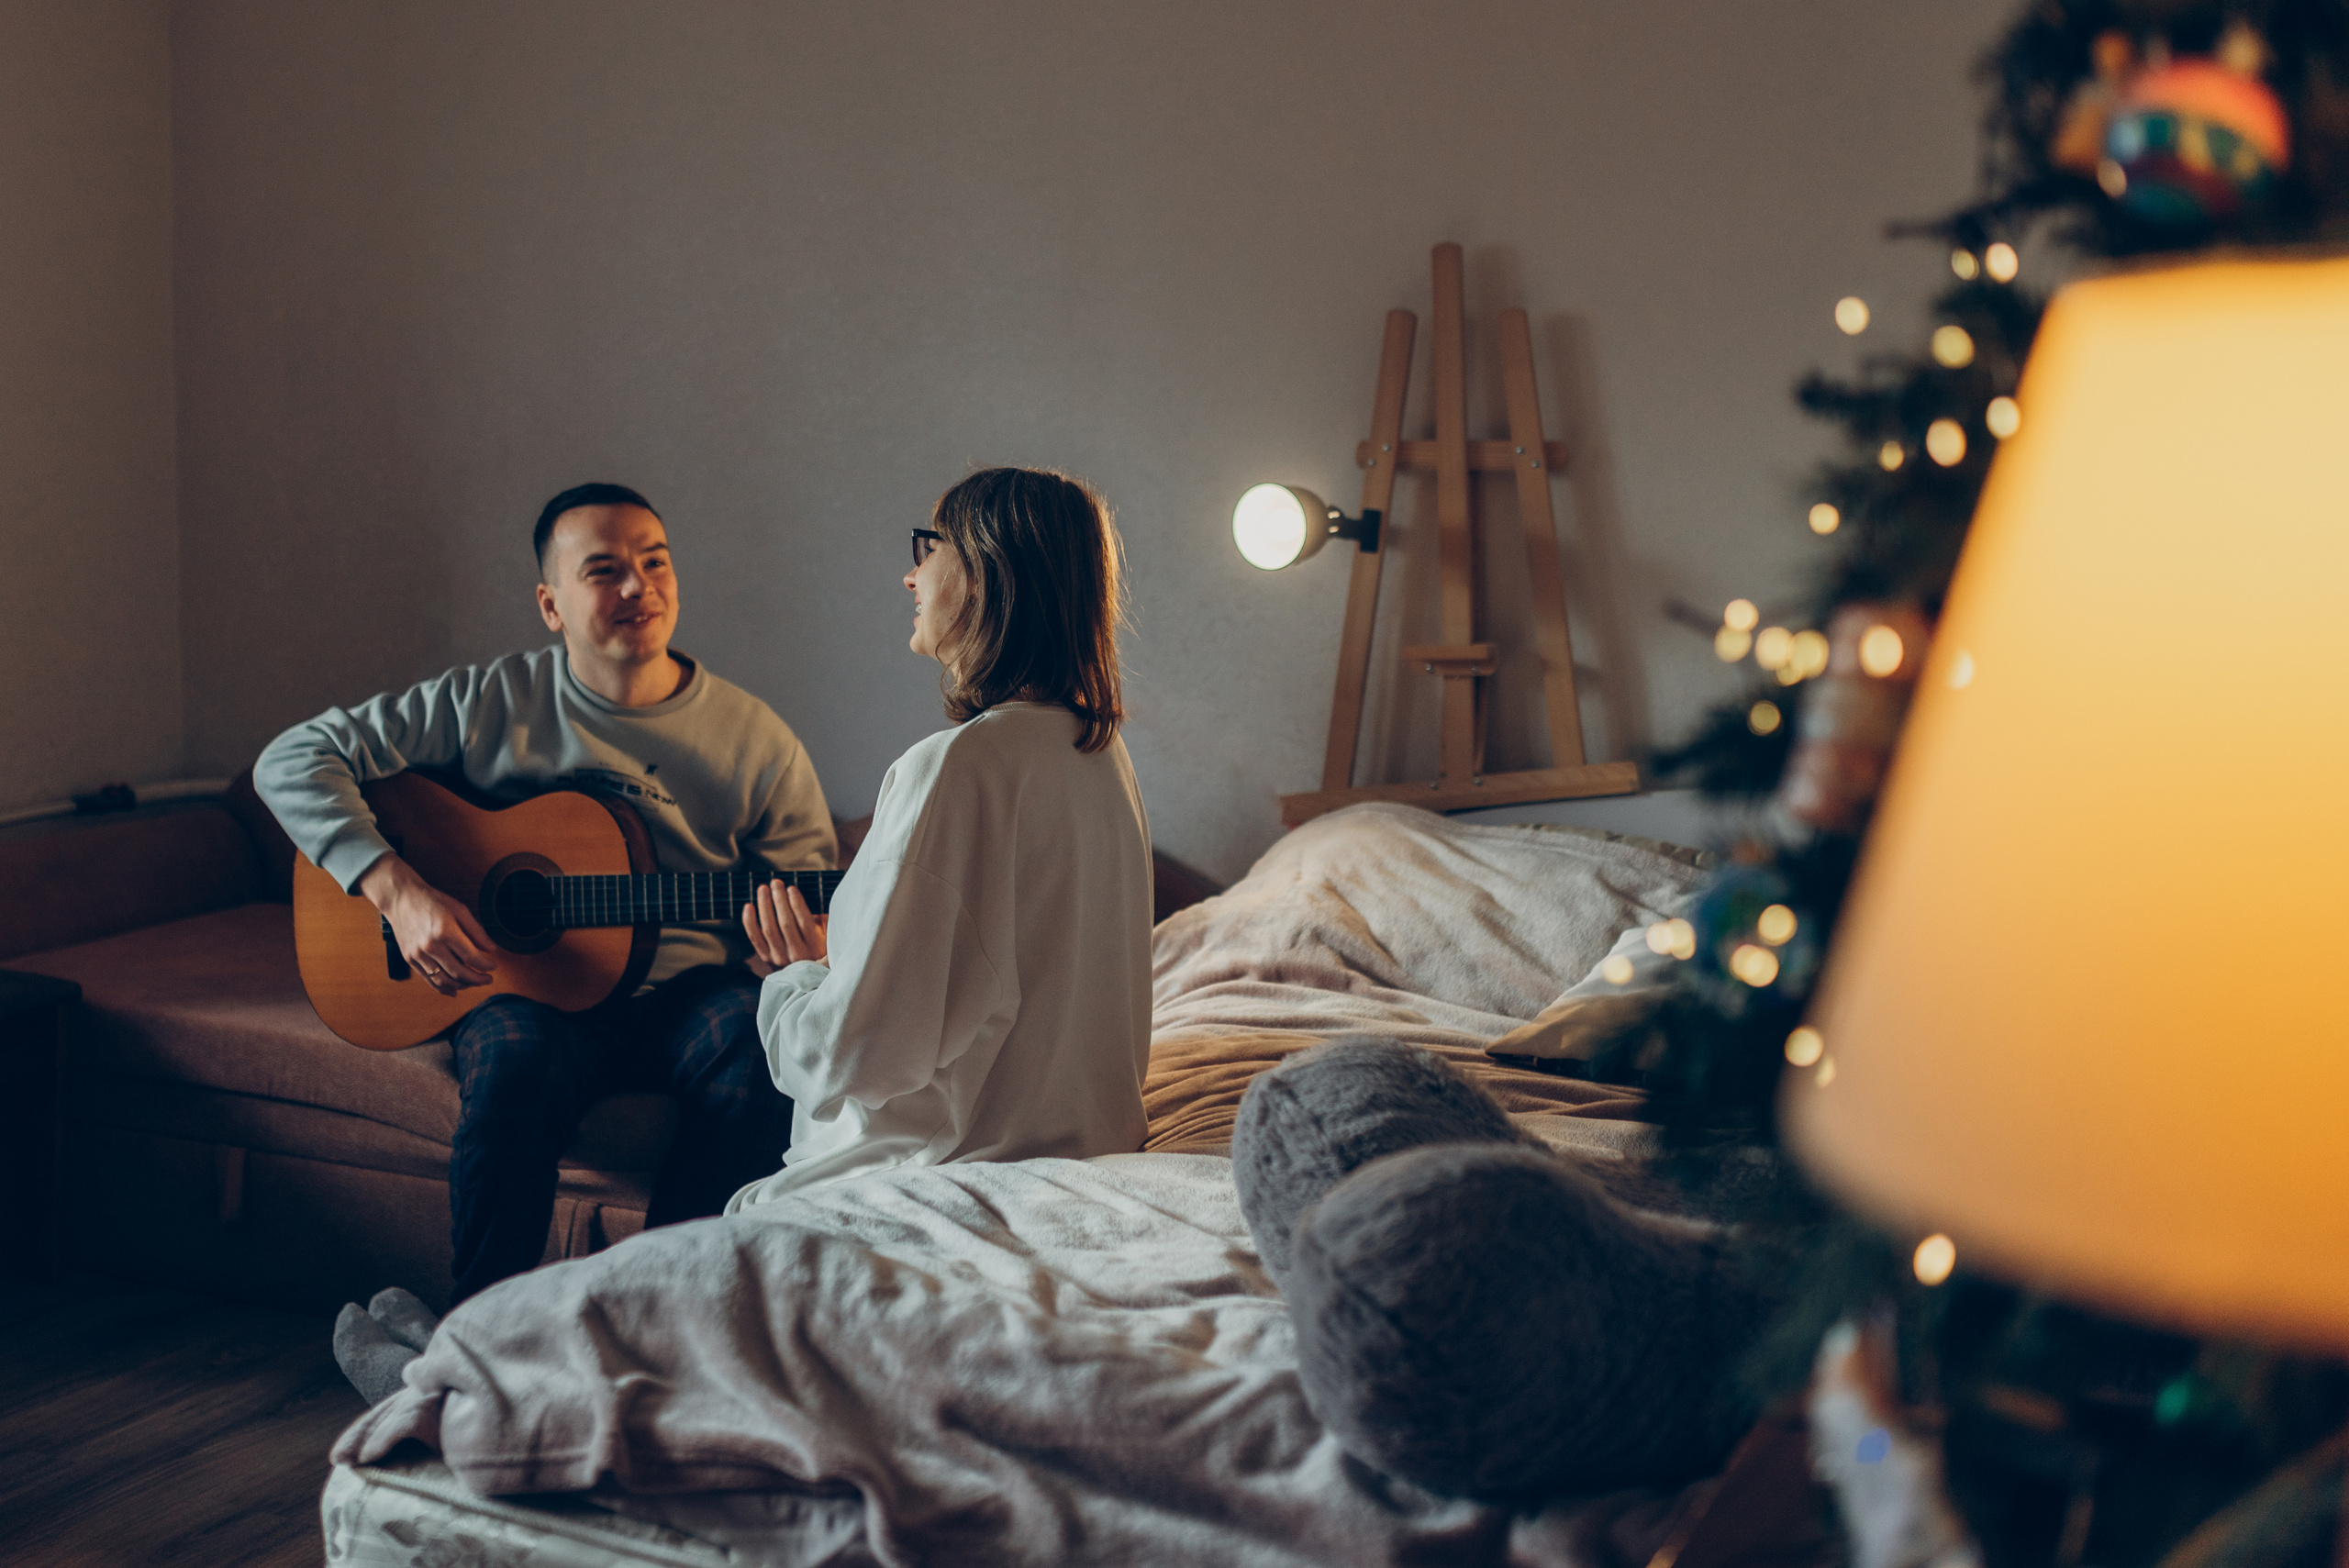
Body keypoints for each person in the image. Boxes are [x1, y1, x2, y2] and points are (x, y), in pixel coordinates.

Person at [257, 483, 836, 1338]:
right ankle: (480, 1340)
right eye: (605, 570)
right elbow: (291, 759)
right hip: (527, 986)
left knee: (762, 1059)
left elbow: (811, 903)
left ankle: (659, 1324)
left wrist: (801, 952)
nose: (639, 587)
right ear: (551, 605)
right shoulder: (486, 702)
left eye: (654, 562)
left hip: (691, 995)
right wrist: (397, 889)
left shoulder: (757, 740)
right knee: (511, 1070)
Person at [728, 466, 1152, 1207]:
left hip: (950, 1170)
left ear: (989, 570)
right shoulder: (1099, 753)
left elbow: (852, 1058)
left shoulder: (956, 768)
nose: (910, 575)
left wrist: (797, 976)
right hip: (1084, 1158)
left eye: (931, 547)